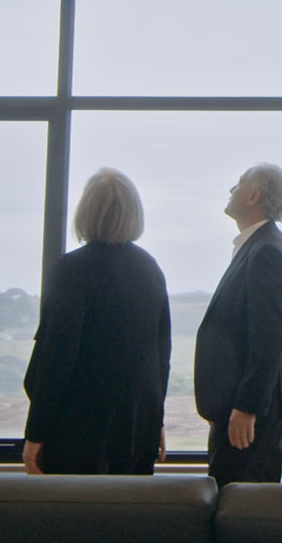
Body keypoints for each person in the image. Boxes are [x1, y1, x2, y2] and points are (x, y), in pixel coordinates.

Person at [21, 168, 171, 476]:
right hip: (135, 428)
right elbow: (160, 357)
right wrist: (155, 421)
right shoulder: (150, 269)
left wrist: (35, 433)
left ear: (85, 211)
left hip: (76, 431)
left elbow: (56, 357)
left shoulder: (70, 271)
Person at [194, 162, 282, 484]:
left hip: (250, 418)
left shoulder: (266, 251)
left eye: (238, 185)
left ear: (253, 196)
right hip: (242, 412)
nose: (231, 190)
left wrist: (247, 407)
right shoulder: (259, 246)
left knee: (239, 511)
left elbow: (269, 337)